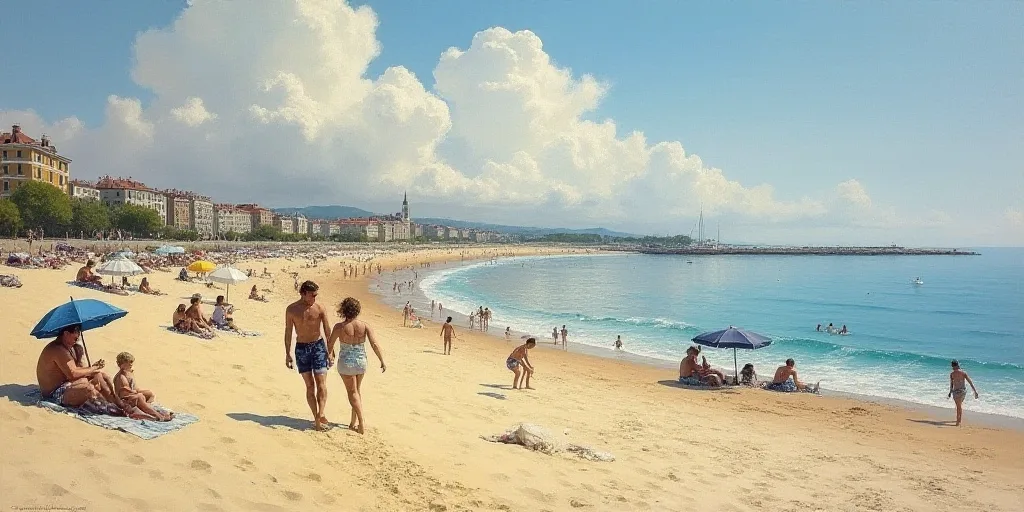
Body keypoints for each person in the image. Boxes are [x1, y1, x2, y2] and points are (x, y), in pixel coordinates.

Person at [35, 324, 127, 414]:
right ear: (66, 334)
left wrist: (87, 364)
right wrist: (93, 368)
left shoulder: (68, 348)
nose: (76, 341)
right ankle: (106, 406)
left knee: (99, 375)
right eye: (75, 338)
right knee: (87, 388)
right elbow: (72, 374)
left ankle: (114, 401)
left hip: (66, 385)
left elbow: (79, 369)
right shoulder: (58, 350)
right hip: (54, 394)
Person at [326, 297, 385, 434]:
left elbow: (330, 344)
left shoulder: (339, 327)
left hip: (346, 363)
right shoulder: (364, 326)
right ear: (357, 310)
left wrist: (329, 356)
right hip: (361, 362)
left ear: (343, 310)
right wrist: (382, 360)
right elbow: (374, 344)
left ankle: (361, 422)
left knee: (352, 393)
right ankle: (353, 423)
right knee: (357, 392)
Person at [284, 281, 332, 431]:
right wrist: (287, 353)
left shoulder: (319, 308)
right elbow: (288, 331)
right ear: (303, 293)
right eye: (312, 295)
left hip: (318, 346)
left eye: (316, 295)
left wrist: (330, 350)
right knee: (310, 386)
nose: (314, 298)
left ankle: (321, 413)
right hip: (301, 348)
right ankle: (316, 418)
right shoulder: (292, 309)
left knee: (321, 382)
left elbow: (327, 329)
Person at [113, 352, 173, 421]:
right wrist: (136, 393)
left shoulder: (128, 373)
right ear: (122, 364)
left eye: (131, 362)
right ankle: (158, 416)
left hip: (131, 396)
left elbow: (135, 388)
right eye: (128, 362)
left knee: (149, 393)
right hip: (124, 401)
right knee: (140, 397)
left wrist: (138, 391)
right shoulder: (121, 377)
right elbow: (124, 393)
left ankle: (147, 410)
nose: (131, 364)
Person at [948, 360, 980, 426]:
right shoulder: (963, 373)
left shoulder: (952, 374)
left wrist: (950, 392)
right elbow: (970, 382)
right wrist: (975, 391)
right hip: (962, 392)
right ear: (958, 365)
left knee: (958, 406)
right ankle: (959, 420)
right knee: (959, 405)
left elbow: (951, 384)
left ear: (952, 366)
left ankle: (958, 421)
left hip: (956, 392)